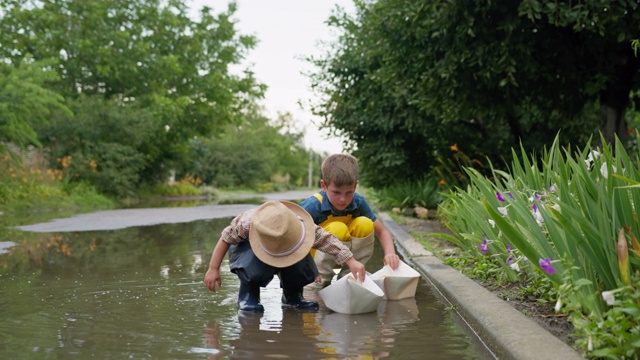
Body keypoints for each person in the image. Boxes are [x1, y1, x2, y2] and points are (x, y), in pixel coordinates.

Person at [203, 200, 366, 312]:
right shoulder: (247, 225)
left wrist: (351, 261)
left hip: (290, 248)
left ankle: (293, 295)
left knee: (301, 260)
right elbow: (225, 238)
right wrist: (213, 268)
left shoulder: (297, 224)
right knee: (251, 266)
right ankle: (248, 295)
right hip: (251, 250)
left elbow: (328, 240)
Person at [300, 154, 400, 288]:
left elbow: (382, 232)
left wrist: (390, 254)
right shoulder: (314, 205)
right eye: (336, 192)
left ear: (356, 186)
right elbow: (295, 239)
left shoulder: (358, 202)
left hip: (349, 260)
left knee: (365, 223)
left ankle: (351, 274)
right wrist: (304, 271)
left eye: (349, 192)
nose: (343, 199)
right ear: (324, 185)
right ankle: (321, 280)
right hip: (317, 263)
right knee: (337, 228)